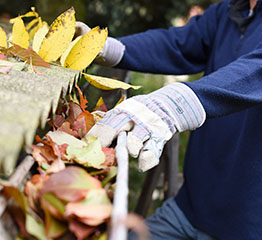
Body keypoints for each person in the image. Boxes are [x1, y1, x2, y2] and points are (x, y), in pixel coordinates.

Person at [79, 0, 262, 239]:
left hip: (248, 227)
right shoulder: (230, 10)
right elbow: (178, 44)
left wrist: (178, 103)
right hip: (188, 210)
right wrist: (108, 48)